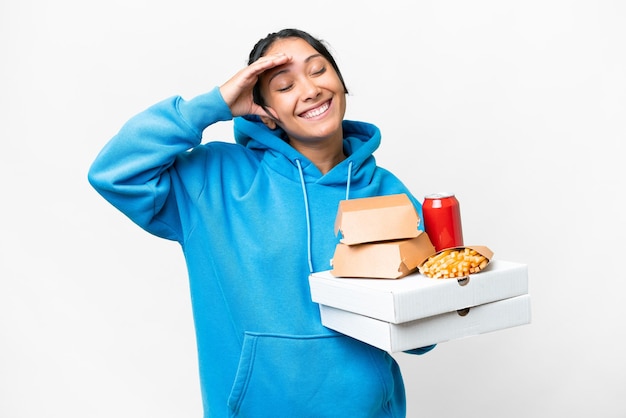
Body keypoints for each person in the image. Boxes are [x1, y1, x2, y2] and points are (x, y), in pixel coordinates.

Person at [88, 28, 435, 418]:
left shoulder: (388, 192)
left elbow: (419, 339)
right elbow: (114, 172)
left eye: (319, 70)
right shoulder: (214, 180)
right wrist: (212, 105)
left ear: (340, 82)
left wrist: (443, 293)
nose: (309, 90)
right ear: (265, 113)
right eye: (285, 85)